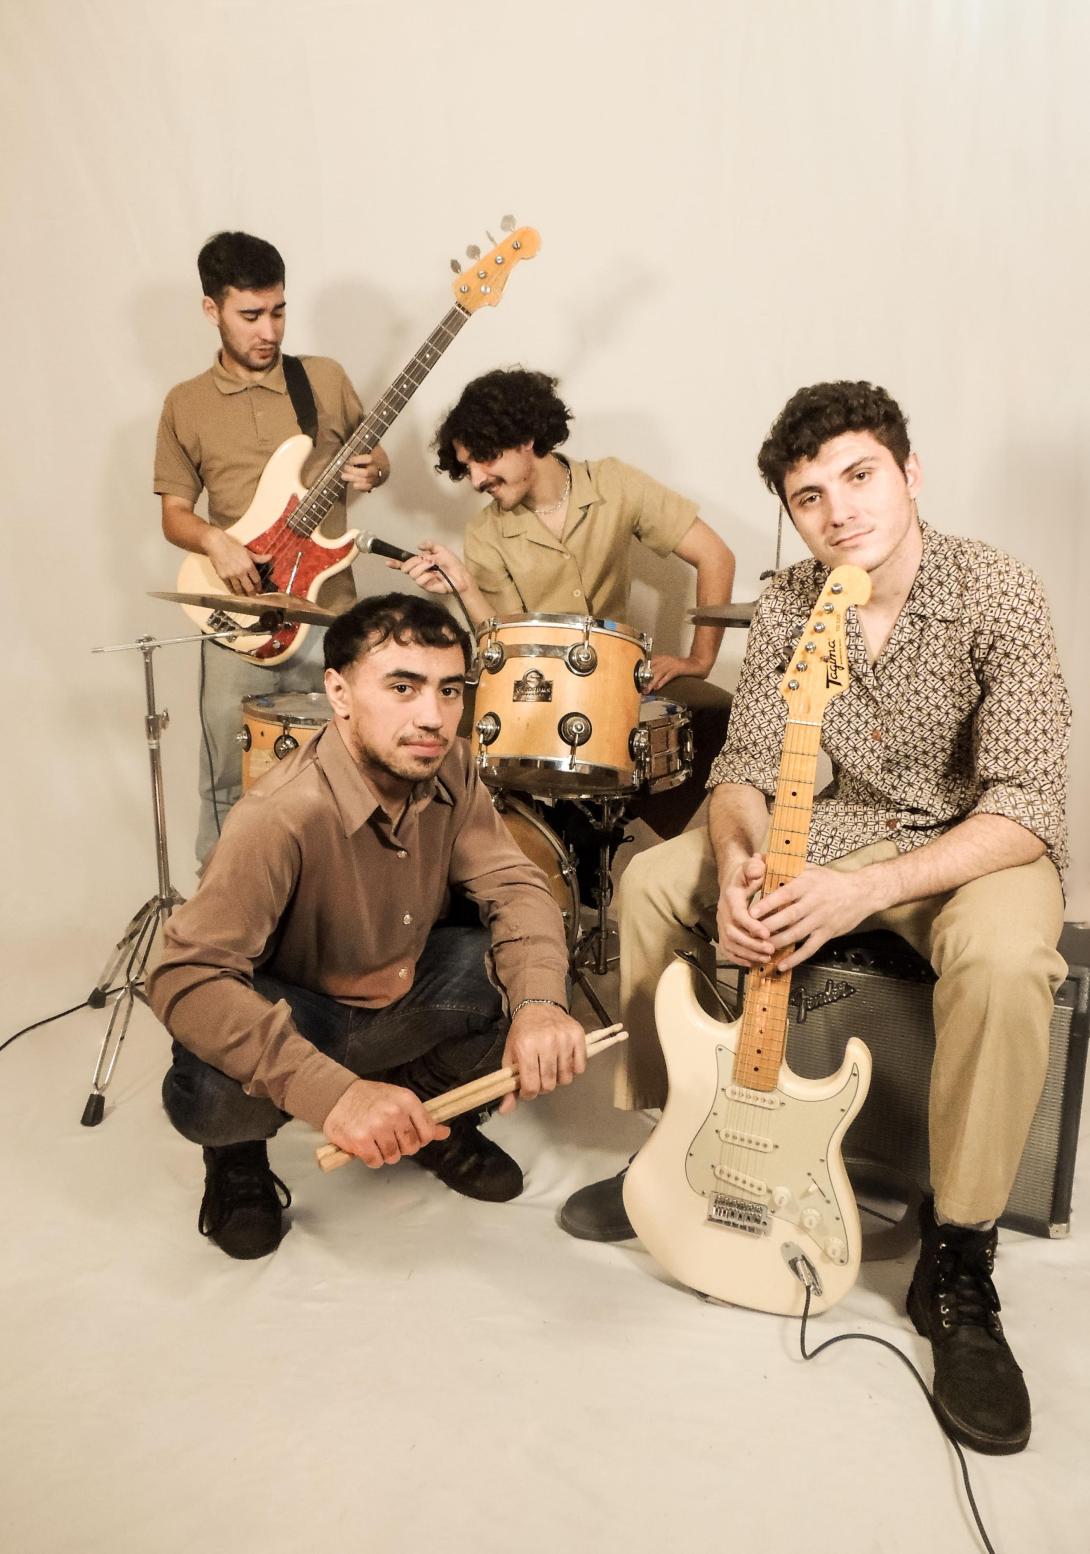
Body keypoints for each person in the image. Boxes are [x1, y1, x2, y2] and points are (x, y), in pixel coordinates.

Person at [562, 381, 1070, 1457]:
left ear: (909, 473)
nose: (838, 512)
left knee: (1003, 962)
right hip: (827, 823)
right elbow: (744, 767)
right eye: (808, 497)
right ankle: (675, 1144)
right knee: (651, 883)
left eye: (859, 476)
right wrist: (741, 862)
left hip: (970, 842)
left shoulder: (1000, 590)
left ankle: (960, 1256)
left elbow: (1028, 803)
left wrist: (863, 892)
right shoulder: (792, 600)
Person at [147, 593, 586, 1261]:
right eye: (402, 687)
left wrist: (541, 1006)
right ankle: (237, 1158)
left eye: (449, 690)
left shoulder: (453, 765)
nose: (432, 716)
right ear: (339, 692)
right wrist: (335, 1096)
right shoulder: (279, 814)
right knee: (210, 1090)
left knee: (526, 972)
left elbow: (515, 886)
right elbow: (184, 976)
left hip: (401, 995)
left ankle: (427, 1116)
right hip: (301, 1017)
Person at [390, 368, 737, 844]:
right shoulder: (485, 533)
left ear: (526, 438)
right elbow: (505, 650)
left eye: (484, 459)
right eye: (466, 468)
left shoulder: (615, 482)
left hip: (620, 684)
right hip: (537, 688)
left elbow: (715, 555)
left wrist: (700, 658)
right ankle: (554, 850)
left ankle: (617, 834)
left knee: (717, 711)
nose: (475, 480)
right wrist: (464, 586)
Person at [154, 230, 390, 863]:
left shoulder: (323, 379)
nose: (269, 331)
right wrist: (215, 541)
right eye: (251, 314)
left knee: (345, 782)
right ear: (212, 310)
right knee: (227, 783)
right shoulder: (186, 404)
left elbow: (373, 455)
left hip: (329, 615)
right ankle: (221, 915)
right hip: (240, 616)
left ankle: (335, 913)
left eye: (279, 311)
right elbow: (174, 515)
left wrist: (375, 469)